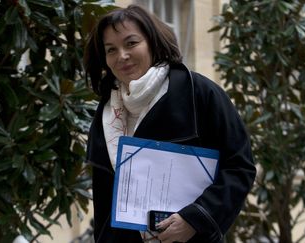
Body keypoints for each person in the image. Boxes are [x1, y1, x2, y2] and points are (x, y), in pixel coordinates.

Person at [83, 4, 256, 243]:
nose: (121, 55)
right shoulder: (105, 113)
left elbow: (239, 166)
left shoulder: (199, 92)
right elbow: (104, 202)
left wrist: (195, 219)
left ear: (153, 42)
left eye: (131, 43)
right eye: (111, 49)